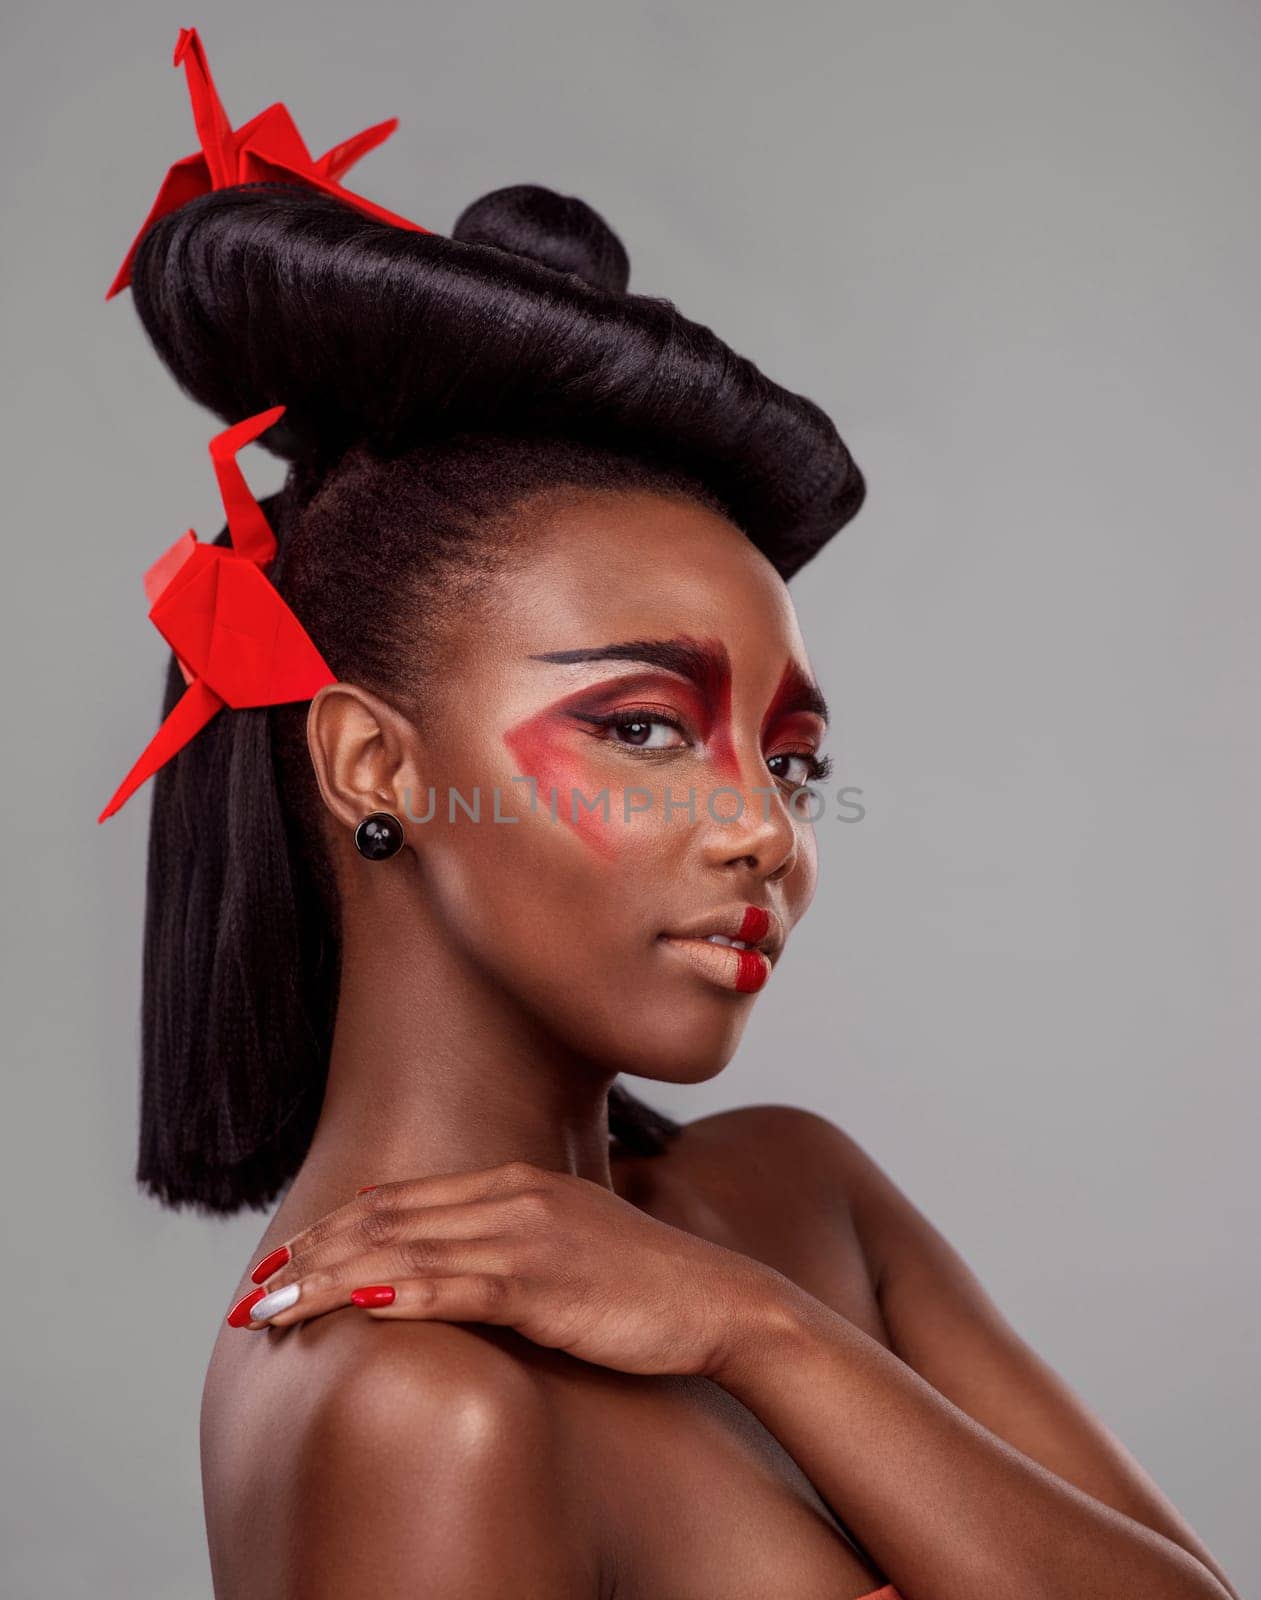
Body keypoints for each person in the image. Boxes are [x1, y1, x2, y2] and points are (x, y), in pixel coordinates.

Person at [101, 32, 1240, 1600]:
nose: (766, 832)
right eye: (641, 727)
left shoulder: (795, 1204)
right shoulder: (416, 1404)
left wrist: (747, 1326)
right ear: (372, 767)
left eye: (787, 759)